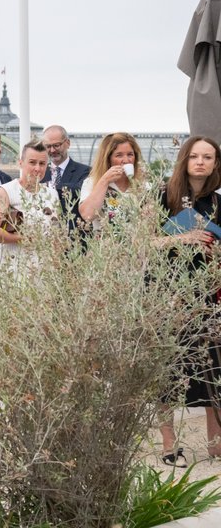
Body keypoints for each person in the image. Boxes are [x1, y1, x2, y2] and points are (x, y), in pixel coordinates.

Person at [156, 136, 221, 466]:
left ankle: (215, 444)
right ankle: (170, 446)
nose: (200, 162)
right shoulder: (162, 194)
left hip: (208, 296)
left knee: (213, 369)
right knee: (169, 370)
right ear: (184, 159)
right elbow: (137, 241)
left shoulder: (218, 203)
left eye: (207, 157)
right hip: (167, 294)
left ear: (215, 163)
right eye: (194, 156)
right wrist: (184, 237)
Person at [0, 140, 58, 277]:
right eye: (32, 162)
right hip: (11, 268)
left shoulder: (52, 194)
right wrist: (21, 239)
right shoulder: (7, 191)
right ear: (21, 163)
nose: (37, 168)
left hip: (43, 270)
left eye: (42, 164)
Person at [77, 132, 145, 227]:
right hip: (105, 241)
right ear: (107, 159)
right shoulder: (91, 183)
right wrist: (104, 181)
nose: (126, 160)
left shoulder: (144, 187)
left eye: (130, 154)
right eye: (119, 155)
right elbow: (87, 215)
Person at [39, 125, 91, 217]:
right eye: (48, 146)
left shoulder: (85, 171)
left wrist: (50, 186)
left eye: (56, 145)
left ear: (68, 143)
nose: (52, 150)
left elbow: (79, 190)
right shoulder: (40, 172)